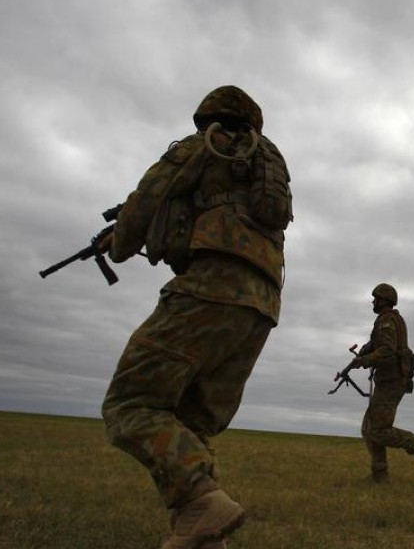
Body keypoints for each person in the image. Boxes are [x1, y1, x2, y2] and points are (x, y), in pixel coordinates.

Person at [100, 85, 293, 549]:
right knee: (193, 423)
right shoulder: (265, 164)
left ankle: (199, 501)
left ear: (207, 117)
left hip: (210, 287)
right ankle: (205, 537)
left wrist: (120, 238)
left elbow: (146, 202)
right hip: (262, 304)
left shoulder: (201, 147)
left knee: (130, 404)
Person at [345, 283, 414, 483]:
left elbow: (387, 349)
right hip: (389, 380)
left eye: (376, 298)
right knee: (369, 427)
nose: (373, 301)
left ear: (384, 299)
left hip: (392, 381)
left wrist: (365, 360)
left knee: (377, 429)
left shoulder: (387, 320)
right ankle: (380, 475)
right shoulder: (388, 320)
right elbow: (379, 345)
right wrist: (364, 353)